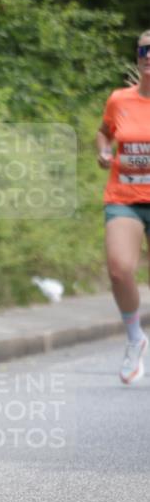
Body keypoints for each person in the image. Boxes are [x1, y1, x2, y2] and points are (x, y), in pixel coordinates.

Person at [96, 29, 150, 384]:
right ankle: (135, 339)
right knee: (119, 269)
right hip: (124, 198)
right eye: (145, 50)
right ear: (138, 57)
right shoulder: (120, 100)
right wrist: (102, 150)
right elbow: (104, 131)